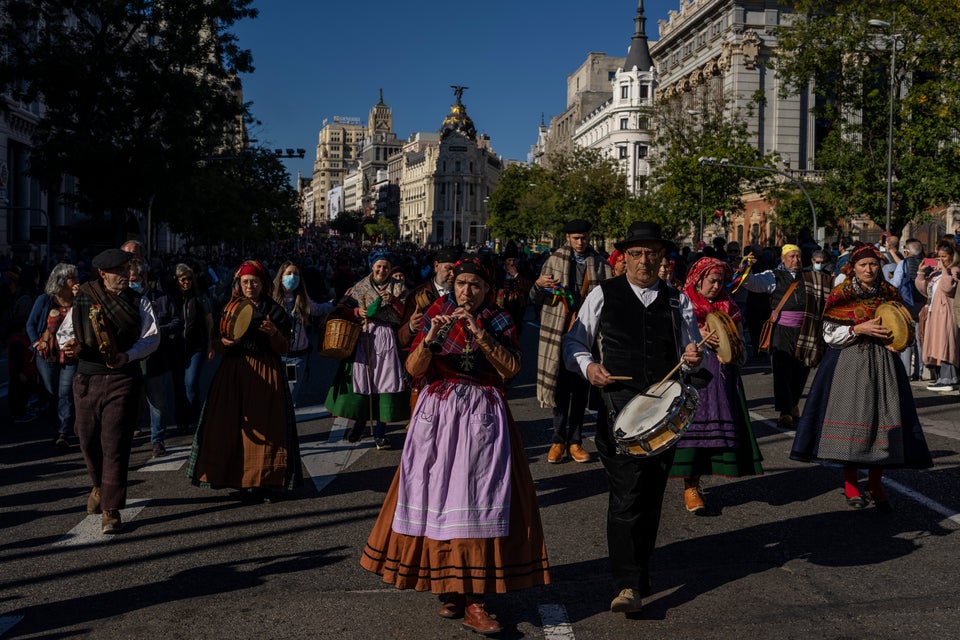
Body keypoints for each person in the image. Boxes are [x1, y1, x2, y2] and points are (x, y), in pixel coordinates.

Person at [359, 257, 550, 635]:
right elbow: (414, 369)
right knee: (437, 501)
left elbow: (511, 369)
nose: (467, 291)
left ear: (486, 290)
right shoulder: (435, 313)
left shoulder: (498, 319)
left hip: (483, 417)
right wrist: (430, 338)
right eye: (462, 283)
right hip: (438, 417)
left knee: (476, 502)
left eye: (476, 285)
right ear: (453, 284)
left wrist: (480, 333)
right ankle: (450, 586)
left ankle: (475, 599)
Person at [563, 221, 703, 614]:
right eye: (636, 254)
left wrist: (694, 358)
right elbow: (575, 341)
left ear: (663, 258)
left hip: (663, 412)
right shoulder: (602, 294)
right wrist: (589, 367)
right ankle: (626, 584)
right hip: (617, 410)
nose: (644, 261)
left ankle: (639, 574)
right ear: (623, 258)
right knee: (626, 494)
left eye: (652, 254)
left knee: (652, 495)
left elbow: (691, 353)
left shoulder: (678, 301)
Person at [791, 243, 933, 510]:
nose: (869, 269)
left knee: (883, 422)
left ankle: (876, 483)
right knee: (853, 421)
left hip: (884, 362)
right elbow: (829, 333)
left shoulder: (889, 291)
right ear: (852, 268)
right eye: (863, 265)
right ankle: (851, 484)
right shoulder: (842, 293)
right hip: (850, 361)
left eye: (873, 264)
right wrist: (859, 328)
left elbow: (902, 324)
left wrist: (899, 340)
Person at [57, 248, 160, 534]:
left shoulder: (139, 301)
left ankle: (111, 509)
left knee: (114, 443)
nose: (127, 275)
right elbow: (64, 333)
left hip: (122, 378)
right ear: (103, 274)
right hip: (87, 378)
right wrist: (70, 345)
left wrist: (127, 356)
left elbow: (151, 338)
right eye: (120, 271)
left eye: (129, 269)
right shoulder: (84, 299)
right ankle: (99, 485)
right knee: (88, 441)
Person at [186, 259, 302, 502]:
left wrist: (273, 334)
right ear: (239, 283)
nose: (250, 286)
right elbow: (216, 341)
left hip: (265, 371)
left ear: (263, 284)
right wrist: (224, 344)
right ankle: (236, 478)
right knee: (232, 426)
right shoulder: (228, 307)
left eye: (255, 282)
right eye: (246, 282)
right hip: (233, 372)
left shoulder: (275, 311)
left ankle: (264, 481)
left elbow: (283, 348)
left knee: (267, 427)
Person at [670, 257, 763, 513]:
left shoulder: (728, 304)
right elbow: (672, 334)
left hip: (723, 375)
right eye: (712, 281)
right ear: (698, 279)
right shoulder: (682, 301)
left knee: (720, 432)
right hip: (694, 373)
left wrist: (733, 348)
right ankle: (690, 485)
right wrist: (694, 334)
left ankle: (702, 479)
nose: (716, 286)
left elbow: (739, 338)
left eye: (720, 281)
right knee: (692, 430)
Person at [531, 218, 611, 464]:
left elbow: (610, 299)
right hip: (560, 333)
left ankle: (575, 441)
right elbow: (534, 299)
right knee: (559, 389)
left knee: (580, 390)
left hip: (587, 335)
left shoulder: (599, 263)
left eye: (584, 238)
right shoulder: (553, 261)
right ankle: (558, 440)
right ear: (567, 238)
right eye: (576, 238)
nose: (580, 242)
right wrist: (538, 285)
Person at [325, 249, 410, 450]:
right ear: (372, 266)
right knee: (363, 381)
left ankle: (380, 431)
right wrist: (357, 311)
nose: (382, 270)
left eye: (386, 267)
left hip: (388, 338)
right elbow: (345, 309)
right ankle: (360, 422)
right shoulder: (360, 286)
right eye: (379, 266)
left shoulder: (399, 287)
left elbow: (405, 313)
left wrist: (394, 301)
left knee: (385, 384)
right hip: (364, 338)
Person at [743, 244, 832, 428]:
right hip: (781, 331)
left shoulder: (811, 277)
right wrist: (746, 266)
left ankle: (793, 404)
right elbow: (750, 283)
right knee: (782, 371)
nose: (795, 260)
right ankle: (785, 411)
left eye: (798, 256)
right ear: (783, 259)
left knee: (803, 367)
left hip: (806, 330)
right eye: (791, 257)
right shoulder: (773, 276)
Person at [129, 260, 179, 458]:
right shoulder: (125, 300)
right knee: (129, 400)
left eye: (135, 279)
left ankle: (157, 439)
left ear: (145, 279)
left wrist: (157, 331)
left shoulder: (162, 298)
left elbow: (177, 321)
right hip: (131, 358)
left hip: (155, 358)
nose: (131, 283)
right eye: (129, 279)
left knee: (157, 402)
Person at [26, 263, 80, 448]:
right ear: (62, 281)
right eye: (73, 277)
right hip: (47, 355)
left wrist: (80, 298)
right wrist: (36, 344)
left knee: (65, 393)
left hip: (71, 354)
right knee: (51, 394)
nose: (77, 281)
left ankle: (63, 432)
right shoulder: (45, 300)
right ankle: (54, 428)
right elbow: (31, 324)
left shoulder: (79, 300)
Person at [272, 261, 333, 406]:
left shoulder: (303, 299)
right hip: (276, 356)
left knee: (290, 394)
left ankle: (288, 424)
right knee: (275, 392)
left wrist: (334, 303)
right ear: (281, 277)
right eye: (289, 274)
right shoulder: (271, 301)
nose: (292, 277)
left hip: (296, 358)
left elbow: (318, 309)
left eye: (296, 274)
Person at [170, 263, 214, 431]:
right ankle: (181, 419)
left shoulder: (199, 297)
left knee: (191, 383)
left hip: (196, 347)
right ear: (177, 280)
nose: (186, 282)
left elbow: (209, 322)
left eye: (189, 279)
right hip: (177, 348)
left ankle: (195, 418)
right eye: (183, 279)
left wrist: (210, 345)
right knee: (178, 385)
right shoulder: (171, 298)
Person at [915, 240, 960, 391]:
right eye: (938, 257)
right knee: (935, 344)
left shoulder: (954, 271)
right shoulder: (936, 273)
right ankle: (941, 376)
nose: (940, 260)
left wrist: (945, 270)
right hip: (934, 313)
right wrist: (921, 272)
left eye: (944, 257)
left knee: (946, 343)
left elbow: (949, 288)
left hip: (946, 312)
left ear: (952, 256)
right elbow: (924, 289)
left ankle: (950, 377)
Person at [889, 239, 926, 380]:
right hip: (922, 303)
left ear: (907, 252)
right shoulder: (926, 262)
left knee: (907, 337)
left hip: (907, 304)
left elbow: (896, 283)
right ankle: (919, 371)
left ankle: (906, 372)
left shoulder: (903, 263)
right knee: (920, 338)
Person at [495, 240, 532, 336]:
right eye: (509, 260)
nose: (511, 263)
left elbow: (528, 288)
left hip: (518, 307)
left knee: (516, 330)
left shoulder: (523, 271)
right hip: (502, 305)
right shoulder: (499, 271)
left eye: (514, 260)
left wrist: (516, 275)